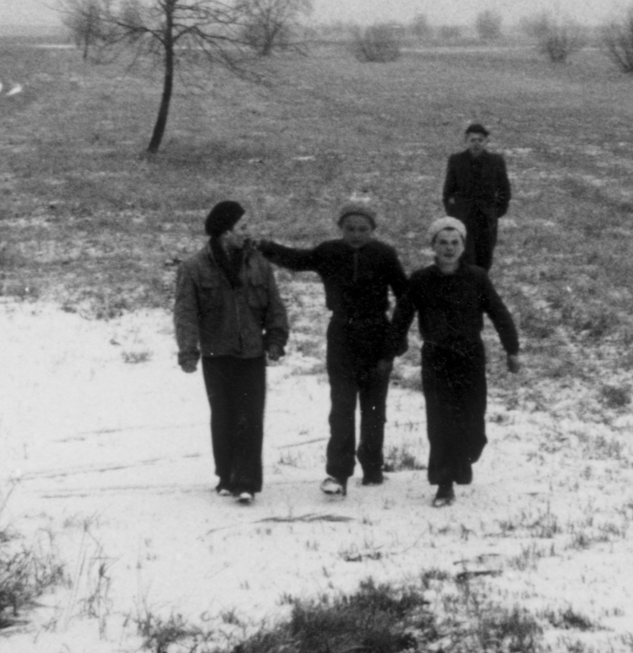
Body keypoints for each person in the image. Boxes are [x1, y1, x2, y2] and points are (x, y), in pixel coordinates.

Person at [257, 203, 408, 496]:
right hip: (341, 335)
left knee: (374, 408)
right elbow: (297, 259)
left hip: (377, 334)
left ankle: (373, 468)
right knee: (341, 407)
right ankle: (338, 473)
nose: (356, 234)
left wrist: (395, 340)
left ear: (373, 231)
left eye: (363, 229)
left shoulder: (384, 254)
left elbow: (405, 296)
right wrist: (265, 247)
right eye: (349, 228)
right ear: (340, 228)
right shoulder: (328, 252)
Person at [389, 217, 521, 508]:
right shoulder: (421, 279)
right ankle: (444, 483)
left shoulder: (476, 277)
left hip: (470, 355)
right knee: (441, 421)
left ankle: (465, 457)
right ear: (433, 246)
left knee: (473, 420)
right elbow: (402, 316)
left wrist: (512, 349)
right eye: (442, 243)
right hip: (436, 357)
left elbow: (499, 312)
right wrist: (392, 347)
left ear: (463, 246)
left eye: (455, 243)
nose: (449, 248)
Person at [174, 200, 289, 505]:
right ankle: (226, 475)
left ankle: (247, 481)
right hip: (217, 355)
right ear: (226, 232)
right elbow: (185, 313)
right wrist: (188, 350)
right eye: (243, 226)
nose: (248, 232)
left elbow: (275, 306)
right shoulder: (193, 268)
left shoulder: (258, 264)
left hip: (251, 352)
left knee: (250, 417)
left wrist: (276, 338)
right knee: (223, 416)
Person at [441, 122, 512, 272]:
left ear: (486, 142)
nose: (476, 144)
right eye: (472, 140)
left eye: (480, 140)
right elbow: (448, 191)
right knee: (466, 258)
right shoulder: (456, 160)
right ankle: (467, 290)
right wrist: (454, 212)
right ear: (466, 141)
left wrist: (497, 211)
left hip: (486, 219)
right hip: (463, 217)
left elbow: (504, 190)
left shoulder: (496, 161)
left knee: (485, 258)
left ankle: (481, 288)